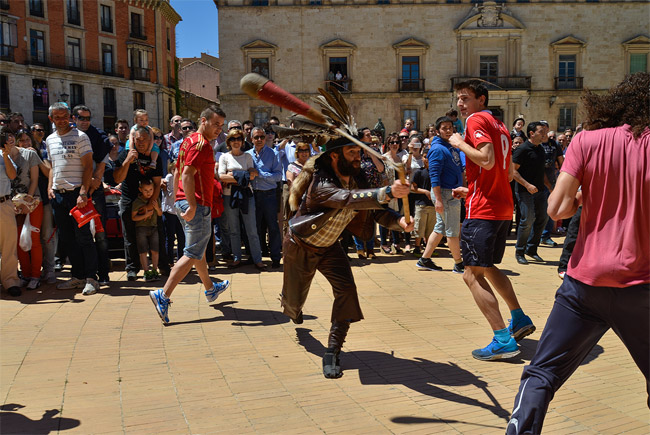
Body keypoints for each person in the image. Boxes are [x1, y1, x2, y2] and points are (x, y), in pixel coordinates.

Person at [507, 72, 650, 435]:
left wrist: (591, 196)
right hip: (641, 285)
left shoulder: (586, 140)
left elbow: (557, 210)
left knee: (542, 373)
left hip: (583, 283)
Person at [280, 136, 414, 378]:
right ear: (334, 156)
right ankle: (293, 309)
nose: (358, 158)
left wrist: (398, 222)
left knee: (347, 291)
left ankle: (332, 351)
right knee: (292, 303)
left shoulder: (357, 178)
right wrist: (385, 192)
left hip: (330, 247)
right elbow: (347, 199)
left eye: (358, 152)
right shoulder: (321, 183)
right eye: (352, 152)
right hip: (300, 246)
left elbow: (373, 211)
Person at [448, 80, 535, 361]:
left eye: (465, 98)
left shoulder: (474, 121)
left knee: (471, 274)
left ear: (481, 100)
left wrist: (459, 142)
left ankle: (502, 339)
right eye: (458, 99)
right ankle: (519, 318)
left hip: (483, 211)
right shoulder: (500, 126)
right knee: (488, 267)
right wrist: (472, 189)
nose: (460, 104)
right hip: (500, 207)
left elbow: (485, 160)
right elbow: (505, 171)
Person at [149, 105, 231, 324]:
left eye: (221, 126)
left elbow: (176, 170)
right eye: (215, 124)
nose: (218, 129)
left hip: (184, 201)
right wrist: (192, 204)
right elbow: (186, 173)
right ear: (203, 120)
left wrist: (179, 199)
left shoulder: (188, 141)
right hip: (196, 204)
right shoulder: (201, 145)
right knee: (193, 252)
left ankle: (210, 289)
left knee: (199, 250)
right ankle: (163, 294)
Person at [45, 103, 99, 295]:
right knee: (67, 239)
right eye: (57, 117)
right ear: (51, 119)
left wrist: (83, 192)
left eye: (64, 116)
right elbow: (52, 166)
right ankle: (77, 277)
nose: (61, 120)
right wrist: (50, 186)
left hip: (78, 195)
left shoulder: (81, 137)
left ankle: (92, 278)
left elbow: (88, 167)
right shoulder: (49, 139)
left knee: (84, 237)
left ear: (70, 117)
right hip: (58, 196)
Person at [113, 126, 163, 281]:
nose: (141, 143)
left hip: (150, 200)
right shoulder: (124, 154)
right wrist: (127, 161)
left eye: (144, 139)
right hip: (129, 200)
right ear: (132, 140)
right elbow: (117, 179)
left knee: (155, 234)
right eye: (138, 139)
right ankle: (132, 268)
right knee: (130, 236)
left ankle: (159, 266)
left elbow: (157, 182)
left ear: (150, 141)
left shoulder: (155, 157)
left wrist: (150, 203)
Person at [416, 116, 464, 273]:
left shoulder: (449, 146)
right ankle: (458, 264)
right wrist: (438, 200)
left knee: (440, 228)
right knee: (452, 231)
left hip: (451, 193)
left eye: (450, 127)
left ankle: (424, 259)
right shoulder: (437, 149)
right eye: (444, 128)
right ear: (437, 131)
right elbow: (434, 177)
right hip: (445, 194)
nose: (448, 130)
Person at [218, 128, 266, 270]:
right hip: (229, 196)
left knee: (251, 229)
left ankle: (258, 259)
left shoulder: (247, 157)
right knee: (233, 229)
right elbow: (221, 177)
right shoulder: (224, 157)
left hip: (246, 195)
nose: (236, 142)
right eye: (233, 139)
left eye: (239, 139)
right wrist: (243, 176)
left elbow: (253, 175)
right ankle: (237, 258)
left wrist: (233, 175)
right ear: (229, 142)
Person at [12, 130, 46, 290]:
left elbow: (34, 180)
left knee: (34, 240)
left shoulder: (31, 155)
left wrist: (28, 201)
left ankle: (35, 276)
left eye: (27, 139)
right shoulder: (7, 156)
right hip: (13, 203)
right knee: (19, 241)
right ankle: (25, 275)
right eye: (21, 140)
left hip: (33, 201)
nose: (24, 143)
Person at [512, 122, 549, 265]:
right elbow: (513, 171)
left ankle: (531, 249)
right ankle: (519, 251)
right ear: (532, 133)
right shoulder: (522, 149)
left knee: (543, 218)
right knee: (527, 220)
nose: (544, 134)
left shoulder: (540, 149)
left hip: (540, 191)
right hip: (524, 191)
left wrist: (550, 187)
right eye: (541, 131)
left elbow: (542, 172)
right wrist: (527, 185)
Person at [247, 126, 283, 268]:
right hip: (253, 195)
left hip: (269, 195)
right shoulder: (247, 155)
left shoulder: (273, 154)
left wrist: (260, 174)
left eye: (262, 137)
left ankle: (275, 257)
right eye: (256, 137)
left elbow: (278, 175)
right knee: (254, 227)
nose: (260, 139)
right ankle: (256, 257)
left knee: (272, 226)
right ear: (251, 139)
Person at [0, 127, 21, 296]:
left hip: (4, 204)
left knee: (9, 245)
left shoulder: (4, 155)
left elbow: (12, 175)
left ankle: (10, 281)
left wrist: (6, 154)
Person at [131, 178, 162, 281]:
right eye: (146, 190)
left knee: (155, 250)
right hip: (141, 228)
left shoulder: (155, 200)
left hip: (153, 227)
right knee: (143, 251)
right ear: (140, 190)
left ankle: (154, 270)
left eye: (151, 190)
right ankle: (146, 271)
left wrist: (157, 208)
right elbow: (133, 217)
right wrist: (145, 215)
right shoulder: (137, 202)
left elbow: (160, 214)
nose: (148, 193)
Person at [161, 160, 185, 268]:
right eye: (174, 169)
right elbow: (172, 194)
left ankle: (181, 262)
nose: (177, 172)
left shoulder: (184, 177)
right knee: (169, 238)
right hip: (170, 211)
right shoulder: (170, 177)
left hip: (180, 212)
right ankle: (170, 261)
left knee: (182, 237)